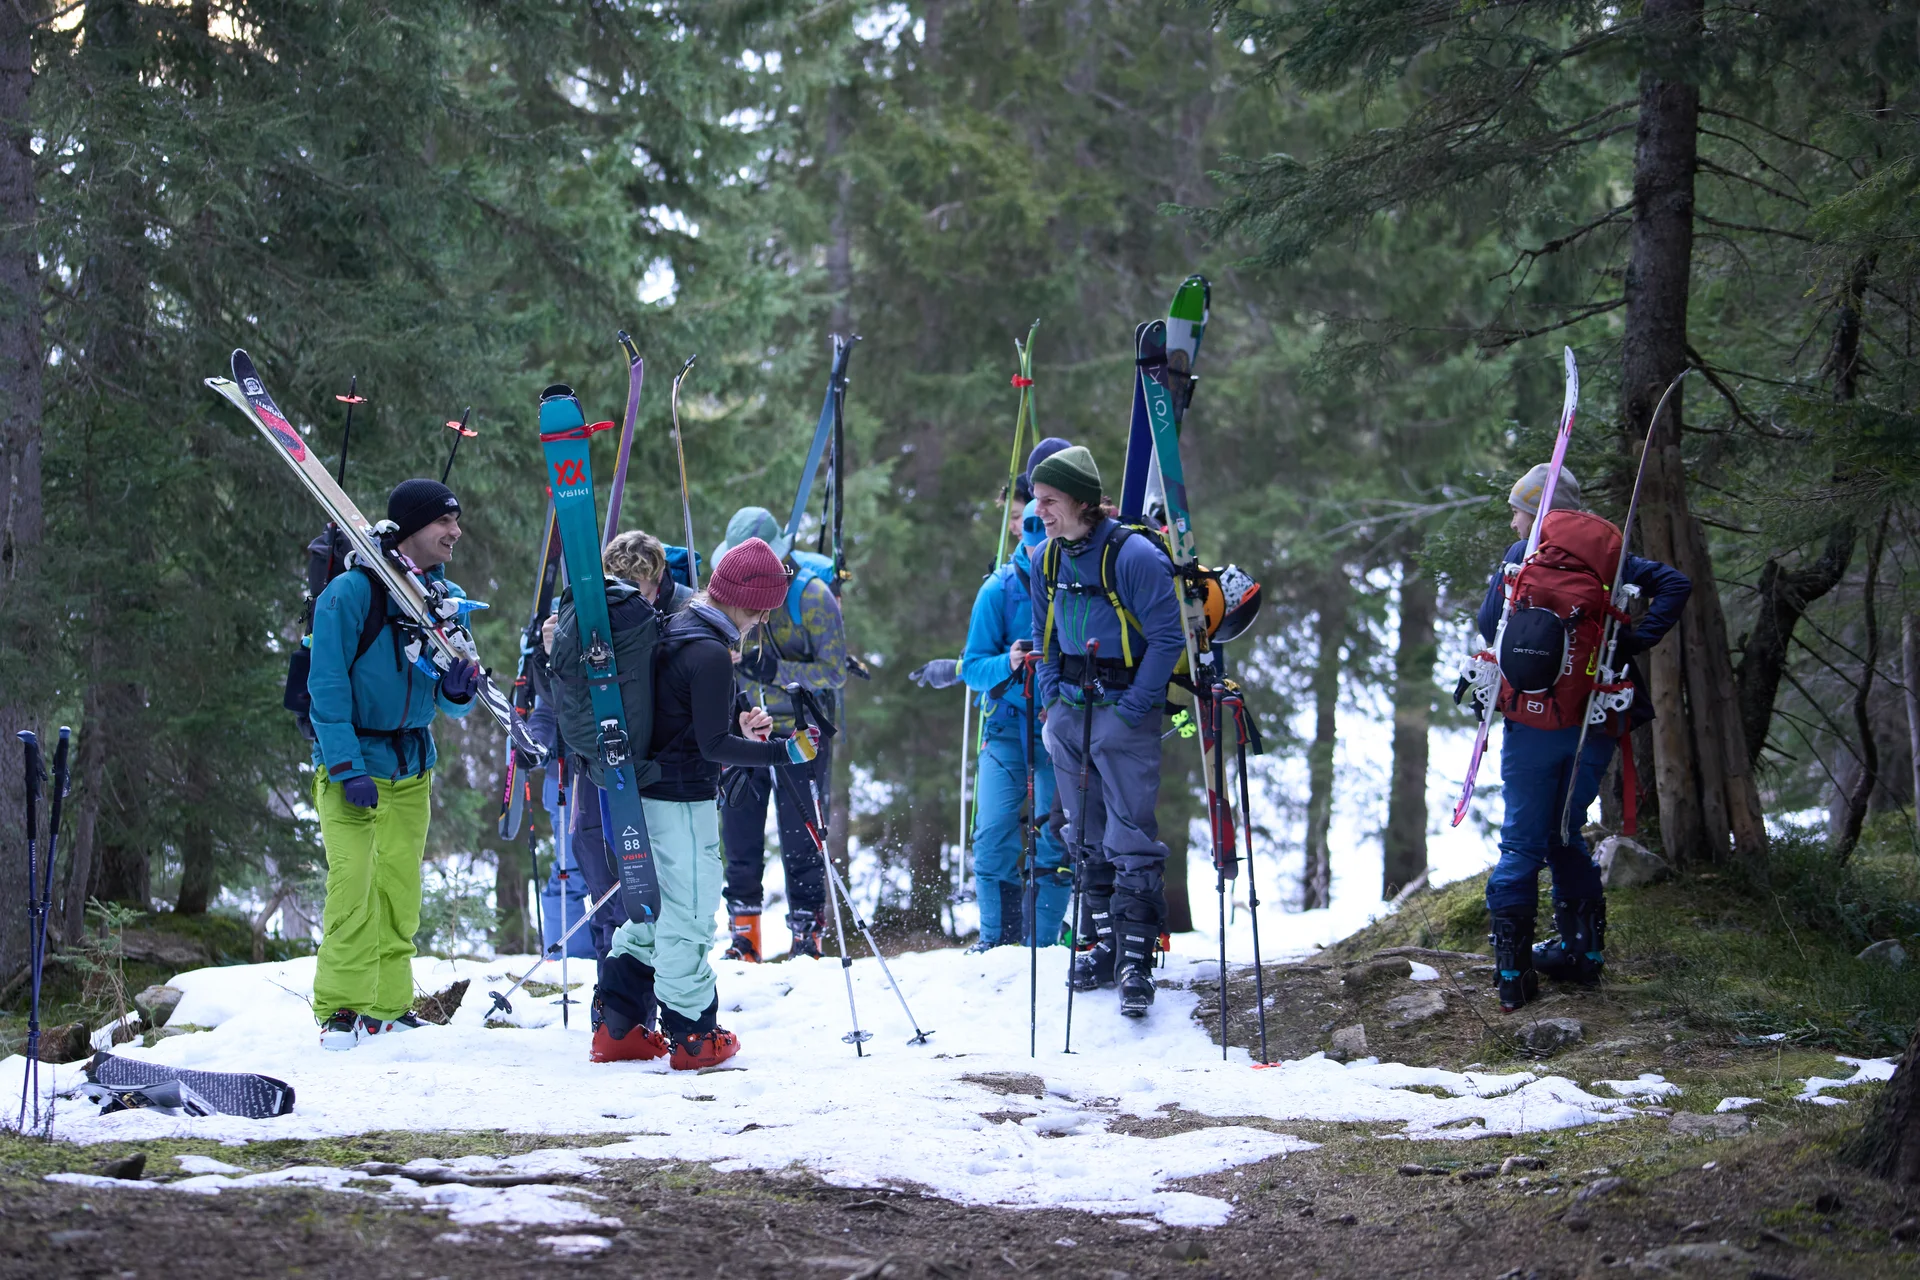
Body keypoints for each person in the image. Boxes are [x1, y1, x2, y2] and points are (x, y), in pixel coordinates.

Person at [589, 537, 819, 1068]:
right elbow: (713, 746)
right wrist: (786, 752)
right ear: (750, 601)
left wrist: (740, 724)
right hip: (681, 801)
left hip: (648, 793)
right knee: (689, 915)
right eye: (762, 611)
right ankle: (694, 1034)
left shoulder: (678, 628)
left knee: (651, 915)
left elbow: (691, 725)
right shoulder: (710, 650)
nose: (761, 622)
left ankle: (618, 1026)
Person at [1477, 462, 1690, 1012]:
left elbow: (1487, 625)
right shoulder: (1611, 558)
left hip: (1532, 718)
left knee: (1521, 842)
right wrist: (1633, 639)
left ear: (1537, 510)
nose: (1513, 523)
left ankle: (1512, 975)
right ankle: (1583, 957)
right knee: (1566, 832)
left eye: (1518, 511)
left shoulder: (1518, 561)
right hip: (1594, 716)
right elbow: (1675, 584)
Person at [308, 478, 482, 1050]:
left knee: (399, 889)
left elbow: (449, 702)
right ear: (412, 527)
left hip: (412, 766)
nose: (456, 532)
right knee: (352, 884)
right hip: (354, 765)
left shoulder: (444, 599)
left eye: (456, 522)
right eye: (445, 523)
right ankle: (341, 1010)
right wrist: (346, 767)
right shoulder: (348, 595)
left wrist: (458, 690)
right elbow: (327, 687)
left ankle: (386, 1005)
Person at [1028, 446, 1183, 1017]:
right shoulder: (1047, 559)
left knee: (1131, 836)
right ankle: (1104, 946)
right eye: (1036, 500)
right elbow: (1042, 637)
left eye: (1050, 500)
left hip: (1124, 714)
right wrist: (1051, 706)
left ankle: (1137, 965)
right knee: (1082, 833)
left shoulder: (1135, 556)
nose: (1039, 511)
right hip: (1069, 714)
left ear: (1084, 502)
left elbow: (1168, 639)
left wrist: (1130, 713)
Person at [534, 530, 695, 977]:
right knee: (600, 875)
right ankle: (615, 996)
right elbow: (557, 700)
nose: (624, 598)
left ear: (658, 579)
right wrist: (554, 654)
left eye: (637, 588)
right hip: (597, 767)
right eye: (616, 585)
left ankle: (673, 993)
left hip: (659, 769)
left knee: (661, 888)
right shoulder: (583, 614)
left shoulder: (681, 612)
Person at [712, 506, 848, 962]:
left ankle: (807, 935)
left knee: (802, 835)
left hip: (801, 733)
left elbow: (834, 672)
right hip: (745, 731)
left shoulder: (813, 597)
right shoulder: (723, 597)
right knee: (739, 832)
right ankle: (744, 936)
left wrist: (774, 669)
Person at [961, 498, 1071, 952]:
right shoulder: (996, 591)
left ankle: (1042, 946)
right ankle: (997, 944)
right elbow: (971, 668)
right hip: (1006, 731)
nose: (1038, 558)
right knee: (992, 834)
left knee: (1056, 838)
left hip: (1060, 734)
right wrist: (1007, 662)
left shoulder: (1074, 583)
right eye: (1032, 550)